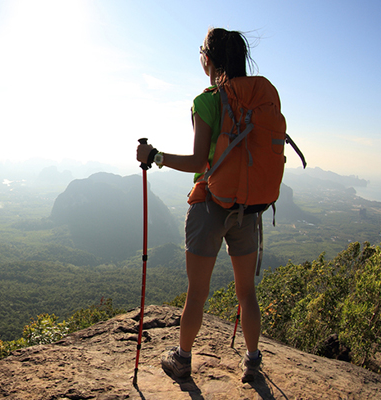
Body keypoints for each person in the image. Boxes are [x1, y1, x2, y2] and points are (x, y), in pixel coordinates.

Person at [136, 27, 263, 383]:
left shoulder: (207, 101)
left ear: (208, 59)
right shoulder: (257, 98)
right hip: (248, 207)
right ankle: (253, 362)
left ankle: (183, 359)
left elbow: (198, 162)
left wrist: (155, 155)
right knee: (247, 292)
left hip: (210, 204)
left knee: (197, 292)